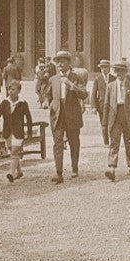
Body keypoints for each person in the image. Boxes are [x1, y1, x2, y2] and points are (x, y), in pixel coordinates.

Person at [47, 51, 85, 183]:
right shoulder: (53, 79)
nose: (59, 64)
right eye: (58, 62)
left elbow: (84, 94)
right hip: (57, 115)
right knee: (57, 144)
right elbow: (48, 95)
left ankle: (74, 168)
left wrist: (71, 85)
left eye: (62, 62)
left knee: (74, 143)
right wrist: (49, 104)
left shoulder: (76, 77)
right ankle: (58, 173)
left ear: (69, 63)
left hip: (72, 115)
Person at [103, 60, 130, 181]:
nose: (120, 73)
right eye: (117, 71)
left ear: (126, 72)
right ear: (115, 72)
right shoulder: (110, 86)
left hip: (127, 116)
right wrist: (105, 123)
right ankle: (112, 168)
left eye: (122, 71)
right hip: (115, 116)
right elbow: (106, 105)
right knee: (114, 142)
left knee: (129, 142)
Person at [3, 97, 32, 183]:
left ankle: (11, 174)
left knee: (14, 152)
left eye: (12, 90)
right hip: (8, 132)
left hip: (18, 132)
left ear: (18, 91)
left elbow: (28, 117)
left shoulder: (22, 103)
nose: (10, 91)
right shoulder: (5, 102)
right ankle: (19, 172)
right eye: (9, 90)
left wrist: (29, 132)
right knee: (12, 152)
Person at [89, 59, 112, 143]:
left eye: (106, 67)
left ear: (109, 68)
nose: (104, 69)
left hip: (112, 105)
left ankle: (113, 140)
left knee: (112, 124)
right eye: (102, 67)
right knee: (104, 124)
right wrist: (93, 107)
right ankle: (106, 142)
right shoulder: (97, 79)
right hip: (102, 105)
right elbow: (93, 94)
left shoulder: (113, 78)